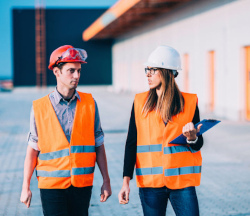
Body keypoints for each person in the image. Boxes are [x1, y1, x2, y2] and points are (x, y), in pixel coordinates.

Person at [20, 45, 112, 216]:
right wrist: (25, 187)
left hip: (82, 185)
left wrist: (106, 180)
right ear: (56, 71)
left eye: (79, 71)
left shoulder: (90, 103)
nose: (76, 76)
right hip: (51, 187)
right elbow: (32, 149)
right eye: (71, 70)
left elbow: (99, 144)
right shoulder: (39, 107)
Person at [118, 45, 203, 216]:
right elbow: (131, 143)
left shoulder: (189, 102)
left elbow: (197, 144)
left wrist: (193, 138)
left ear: (167, 72)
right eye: (147, 69)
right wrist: (125, 182)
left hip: (182, 184)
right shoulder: (140, 102)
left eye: (153, 69)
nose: (147, 74)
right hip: (150, 185)